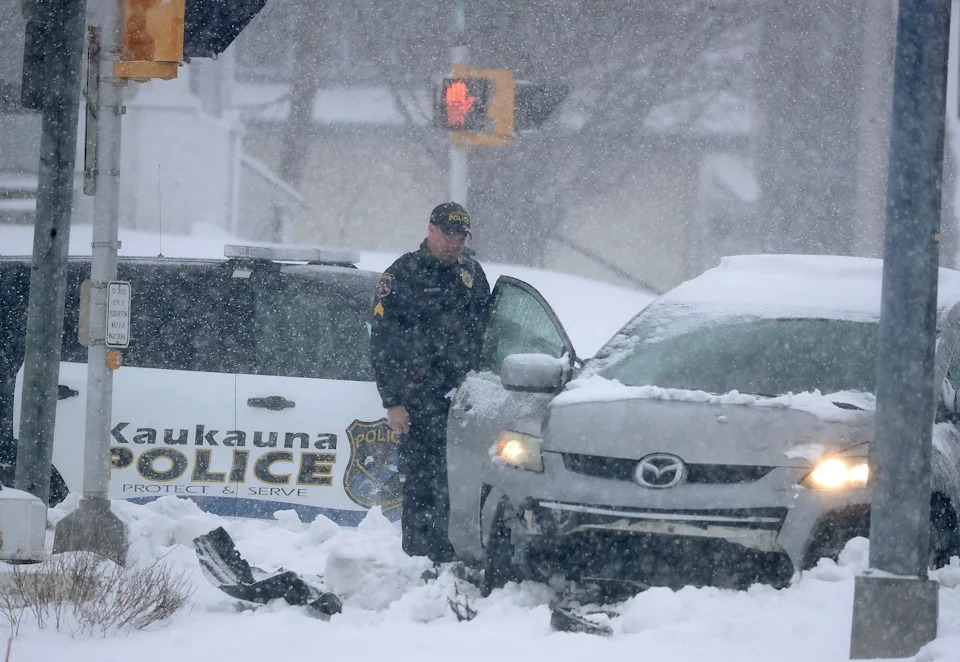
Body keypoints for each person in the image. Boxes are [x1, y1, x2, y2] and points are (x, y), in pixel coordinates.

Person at [369, 202, 491, 564]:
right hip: (419, 400)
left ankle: (457, 554)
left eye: (462, 237)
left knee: (459, 480)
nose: (456, 244)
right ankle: (420, 557)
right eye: (450, 235)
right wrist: (393, 402)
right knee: (423, 482)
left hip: (467, 398)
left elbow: (488, 330)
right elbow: (383, 342)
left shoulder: (471, 271)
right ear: (432, 231)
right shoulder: (403, 274)